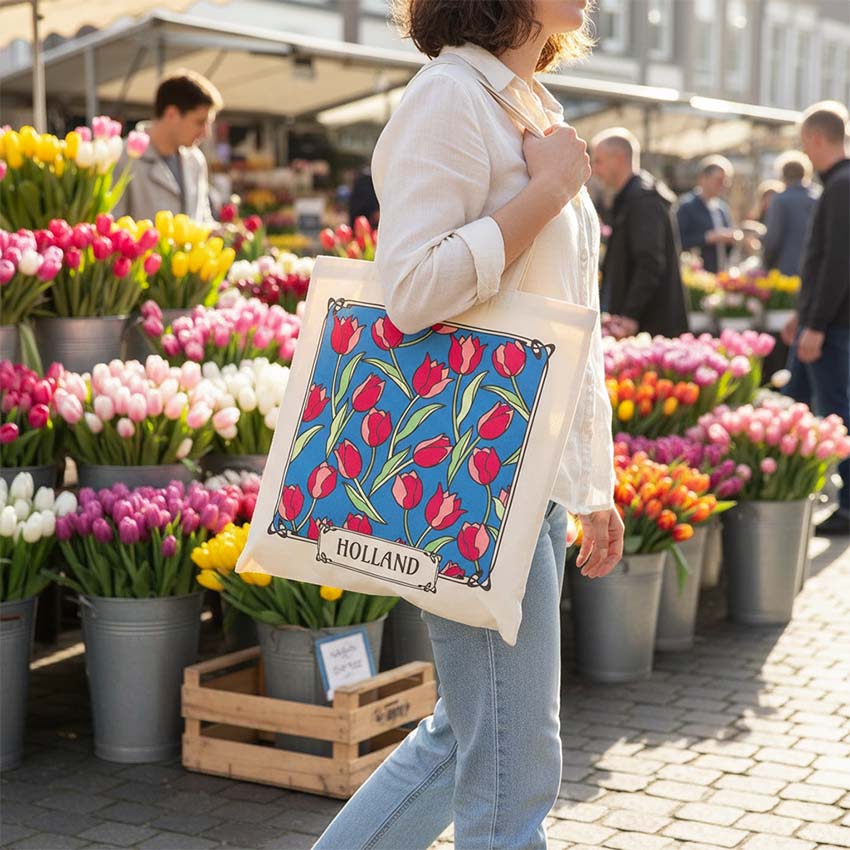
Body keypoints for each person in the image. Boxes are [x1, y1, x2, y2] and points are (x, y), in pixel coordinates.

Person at [313, 1, 624, 848]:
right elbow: (412, 290)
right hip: (470, 467)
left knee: (473, 741)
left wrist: (591, 483)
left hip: (522, 469)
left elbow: (567, 316)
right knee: (510, 768)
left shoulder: (526, 105)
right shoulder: (449, 97)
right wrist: (550, 191)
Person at [781, 101, 850, 535]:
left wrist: (817, 326)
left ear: (816, 139)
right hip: (824, 322)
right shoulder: (837, 183)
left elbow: (837, 263)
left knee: (834, 412)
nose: (804, 152)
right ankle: (791, 494)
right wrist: (802, 318)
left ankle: (846, 507)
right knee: (800, 406)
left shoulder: (842, 185)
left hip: (834, 326)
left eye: (805, 143)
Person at [591, 127, 689, 339]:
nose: (595, 169)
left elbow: (649, 262)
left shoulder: (643, 200)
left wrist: (630, 314)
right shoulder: (631, 197)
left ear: (619, 158)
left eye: (598, 161)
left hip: (649, 326)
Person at [113, 70, 222, 222]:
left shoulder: (196, 160)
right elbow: (113, 226)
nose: (206, 132)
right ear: (171, 114)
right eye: (200, 122)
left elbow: (203, 219)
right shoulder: (122, 157)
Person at [676, 155, 742, 273]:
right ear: (703, 178)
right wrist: (707, 237)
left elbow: (729, 245)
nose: (723, 185)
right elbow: (677, 241)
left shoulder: (722, 209)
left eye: (725, 181)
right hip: (695, 277)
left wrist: (733, 238)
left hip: (719, 274)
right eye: (718, 180)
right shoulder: (687, 206)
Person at [762, 151, 819, 275]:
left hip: (785, 270)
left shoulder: (780, 200)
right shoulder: (817, 198)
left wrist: (766, 265)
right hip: (814, 269)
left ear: (783, 175)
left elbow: (773, 239)